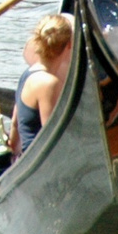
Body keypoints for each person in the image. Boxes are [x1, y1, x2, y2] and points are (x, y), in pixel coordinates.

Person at [14, 14, 74, 153]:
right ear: (69, 45)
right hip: (41, 163)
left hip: (26, 155)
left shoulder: (27, 74)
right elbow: (52, 138)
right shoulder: (49, 83)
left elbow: (14, 125)